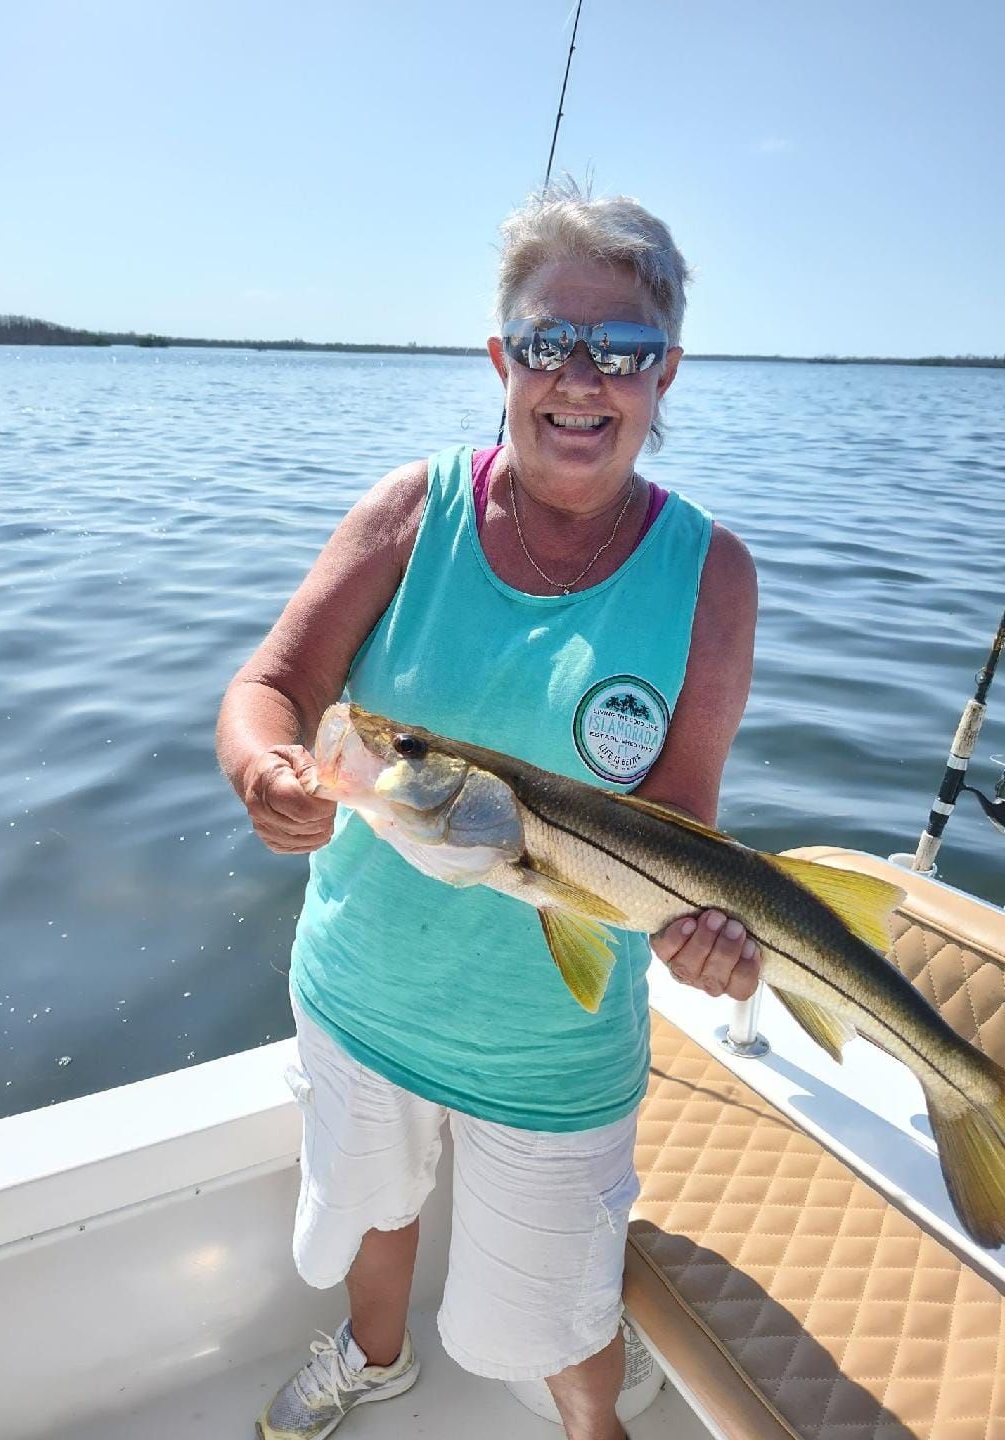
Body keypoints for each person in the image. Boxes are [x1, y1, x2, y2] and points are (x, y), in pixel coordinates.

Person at [216, 180, 758, 1440]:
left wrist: (711, 942)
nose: (583, 377)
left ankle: (589, 1418)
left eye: (620, 347)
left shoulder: (712, 575)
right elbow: (273, 688)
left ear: (665, 371)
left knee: (558, 1318)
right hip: (360, 994)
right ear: (500, 355)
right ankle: (375, 1352)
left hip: (552, 1050)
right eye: (549, 341)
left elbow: (682, 831)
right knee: (375, 1208)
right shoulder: (413, 511)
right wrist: (262, 767)